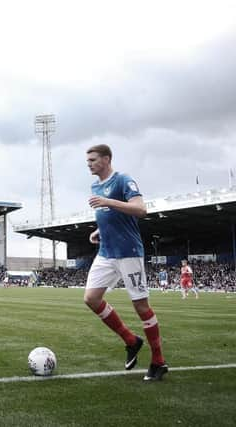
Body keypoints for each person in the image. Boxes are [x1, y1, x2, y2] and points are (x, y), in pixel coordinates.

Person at [84, 144, 168, 381]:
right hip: (106, 252)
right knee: (91, 298)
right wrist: (98, 230)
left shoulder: (123, 180)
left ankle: (158, 361)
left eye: (92, 159)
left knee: (141, 307)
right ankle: (131, 341)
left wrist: (108, 202)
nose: (88, 164)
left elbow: (140, 209)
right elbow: (109, 216)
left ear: (107, 159)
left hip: (128, 252)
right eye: (87, 160)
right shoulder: (95, 185)